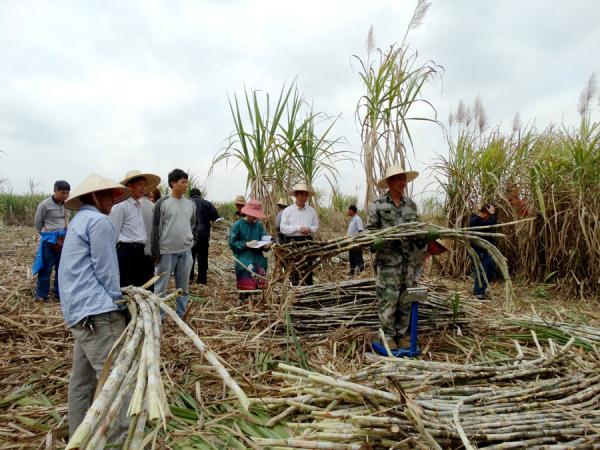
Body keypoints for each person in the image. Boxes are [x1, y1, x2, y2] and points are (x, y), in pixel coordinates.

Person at [57, 173, 132, 444]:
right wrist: (121, 304)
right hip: (98, 313)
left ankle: (79, 437)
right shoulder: (99, 222)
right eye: (109, 194)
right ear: (95, 196)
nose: (114, 199)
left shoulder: (79, 221)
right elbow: (106, 269)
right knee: (116, 379)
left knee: (82, 382)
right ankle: (117, 441)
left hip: (78, 312)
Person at [367, 165, 430, 351]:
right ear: (389, 182)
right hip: (388, 264)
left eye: (404, 178)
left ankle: (402, 335)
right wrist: (376, 241)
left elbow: (417, 233)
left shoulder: (411, 205)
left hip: (408, 263)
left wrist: (426, 238)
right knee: (388, 300)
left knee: (405, 300)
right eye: (398, 179)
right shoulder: (377, 205)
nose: (403, 182)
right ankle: (387, 335)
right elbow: (369, 234)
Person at [151, 169, 196, 318]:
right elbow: (156, 228)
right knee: (161, 287)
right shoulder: (162, 203)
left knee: (183, 286)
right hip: (166, 252)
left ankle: (181, 315)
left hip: (185, 251)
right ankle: (160, 317)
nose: (185, 185)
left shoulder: (190, 204)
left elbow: (194, 224)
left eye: (186, 182)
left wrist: (191, 241)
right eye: (182, 182)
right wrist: (155, 251)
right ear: (173, 183)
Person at [109, 170, 160, 288]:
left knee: (139, 287)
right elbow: (113, 233)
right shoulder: (121, 206)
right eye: (140, 185)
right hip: (126, 252)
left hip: (139, 251)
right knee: (126, 287)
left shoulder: (138, 206)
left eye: (145, 185)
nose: (144, 188)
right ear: (130, 186)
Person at [32, 180, 70, 302]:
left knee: (62, 269)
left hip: (63, 240)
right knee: (46, 269)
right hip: (49, 241)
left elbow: (67, 221)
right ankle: (42, 296)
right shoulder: (45, 204)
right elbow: (38, 223)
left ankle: (60, 294)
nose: (65, 195)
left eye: (67, 193)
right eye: (63, 192)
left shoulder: (67, 205)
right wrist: (48, 236)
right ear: (55, 191)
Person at [228, 199, 270, 298]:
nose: (254, 217)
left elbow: (264, 238)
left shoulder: (259, 226)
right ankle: (244, 303)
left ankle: (256, 305)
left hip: (259, 259)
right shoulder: (238, 225)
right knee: (245, 288)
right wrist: (246, 244)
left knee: (258, 289)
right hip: (244, 259)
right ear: (247, 213)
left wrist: (266, 246)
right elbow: (232, 243)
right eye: (252, 214)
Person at [280, 183, 319, 285]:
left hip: (307, 242)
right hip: (293, 243)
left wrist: (309, 229)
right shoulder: (288, 211)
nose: (304, 197)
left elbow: (316, 227)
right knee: (294, 268)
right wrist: (298, 228)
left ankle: (308, 291)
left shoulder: (311, 211)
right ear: (296, 195)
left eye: (305, 195)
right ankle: (295, 293)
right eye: (301, 195)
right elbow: (283, 228)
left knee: (308, 268)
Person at [189, 188, 220, 285]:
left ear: (190, 195)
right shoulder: (206, 203)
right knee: (202, 257)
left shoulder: (186, 203)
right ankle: (202, 280)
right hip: (203, 235)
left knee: (190, 257)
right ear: (200, 195)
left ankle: (189, 278)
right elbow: (215, 217)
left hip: (190, 235)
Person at [469, 203, 498, 299]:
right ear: (485, 213)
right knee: (481, 271)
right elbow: (489, 225)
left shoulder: (484, 220)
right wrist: (492, 214)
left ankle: (482, 289)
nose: (489, 217)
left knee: (491, 271)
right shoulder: (475, 219)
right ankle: (478, 293)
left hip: (486, 251)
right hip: (478, 251)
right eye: (488, 214)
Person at [347, 204, 365, 275]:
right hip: (350, 242)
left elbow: (360, 231)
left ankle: (361, 272)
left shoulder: (358, 219)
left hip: (356, 242)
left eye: (348, 210)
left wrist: (359, 242)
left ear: (352, 211)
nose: (347, 211)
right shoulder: (352, 220)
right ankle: (351, 272)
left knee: (358, 257)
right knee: (351, 258)